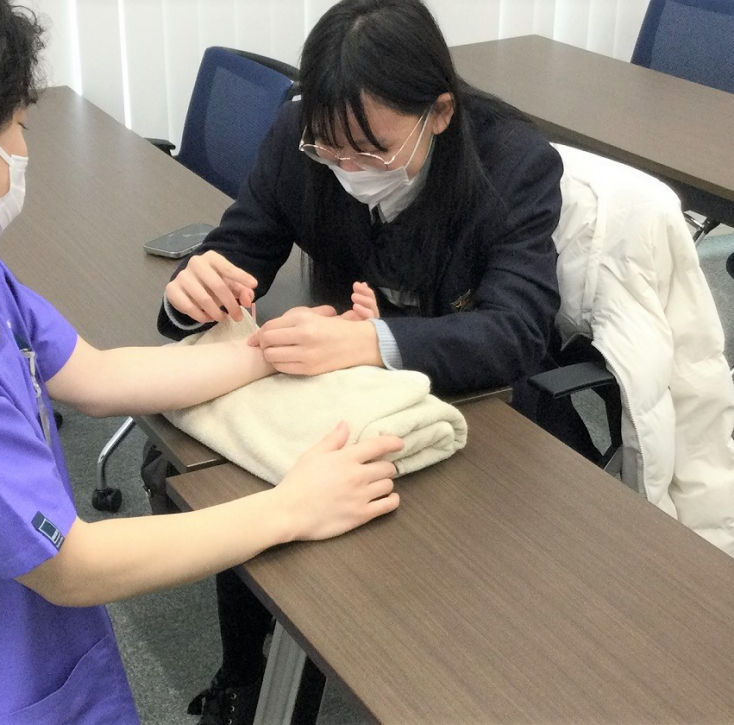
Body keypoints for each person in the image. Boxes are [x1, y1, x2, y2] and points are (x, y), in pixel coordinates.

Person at [0, 1, 406, 722]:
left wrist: (269, 351)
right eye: (14, 125)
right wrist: (292, 506)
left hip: (7, 651)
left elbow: (95, 377)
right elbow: (72, 565)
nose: (22, 147)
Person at [156, 0, 599, 722]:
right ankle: (246, 680)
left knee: (435, 607)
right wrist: (193, 290)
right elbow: (238, 253)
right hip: (348, 394)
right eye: (330, 151)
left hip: (485, 409)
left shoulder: (513, 163)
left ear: (440, 113)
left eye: (373, 152)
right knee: (258, 497)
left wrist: (372, 343)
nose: (349, 169)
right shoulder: (299, 135)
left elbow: (515, 332)